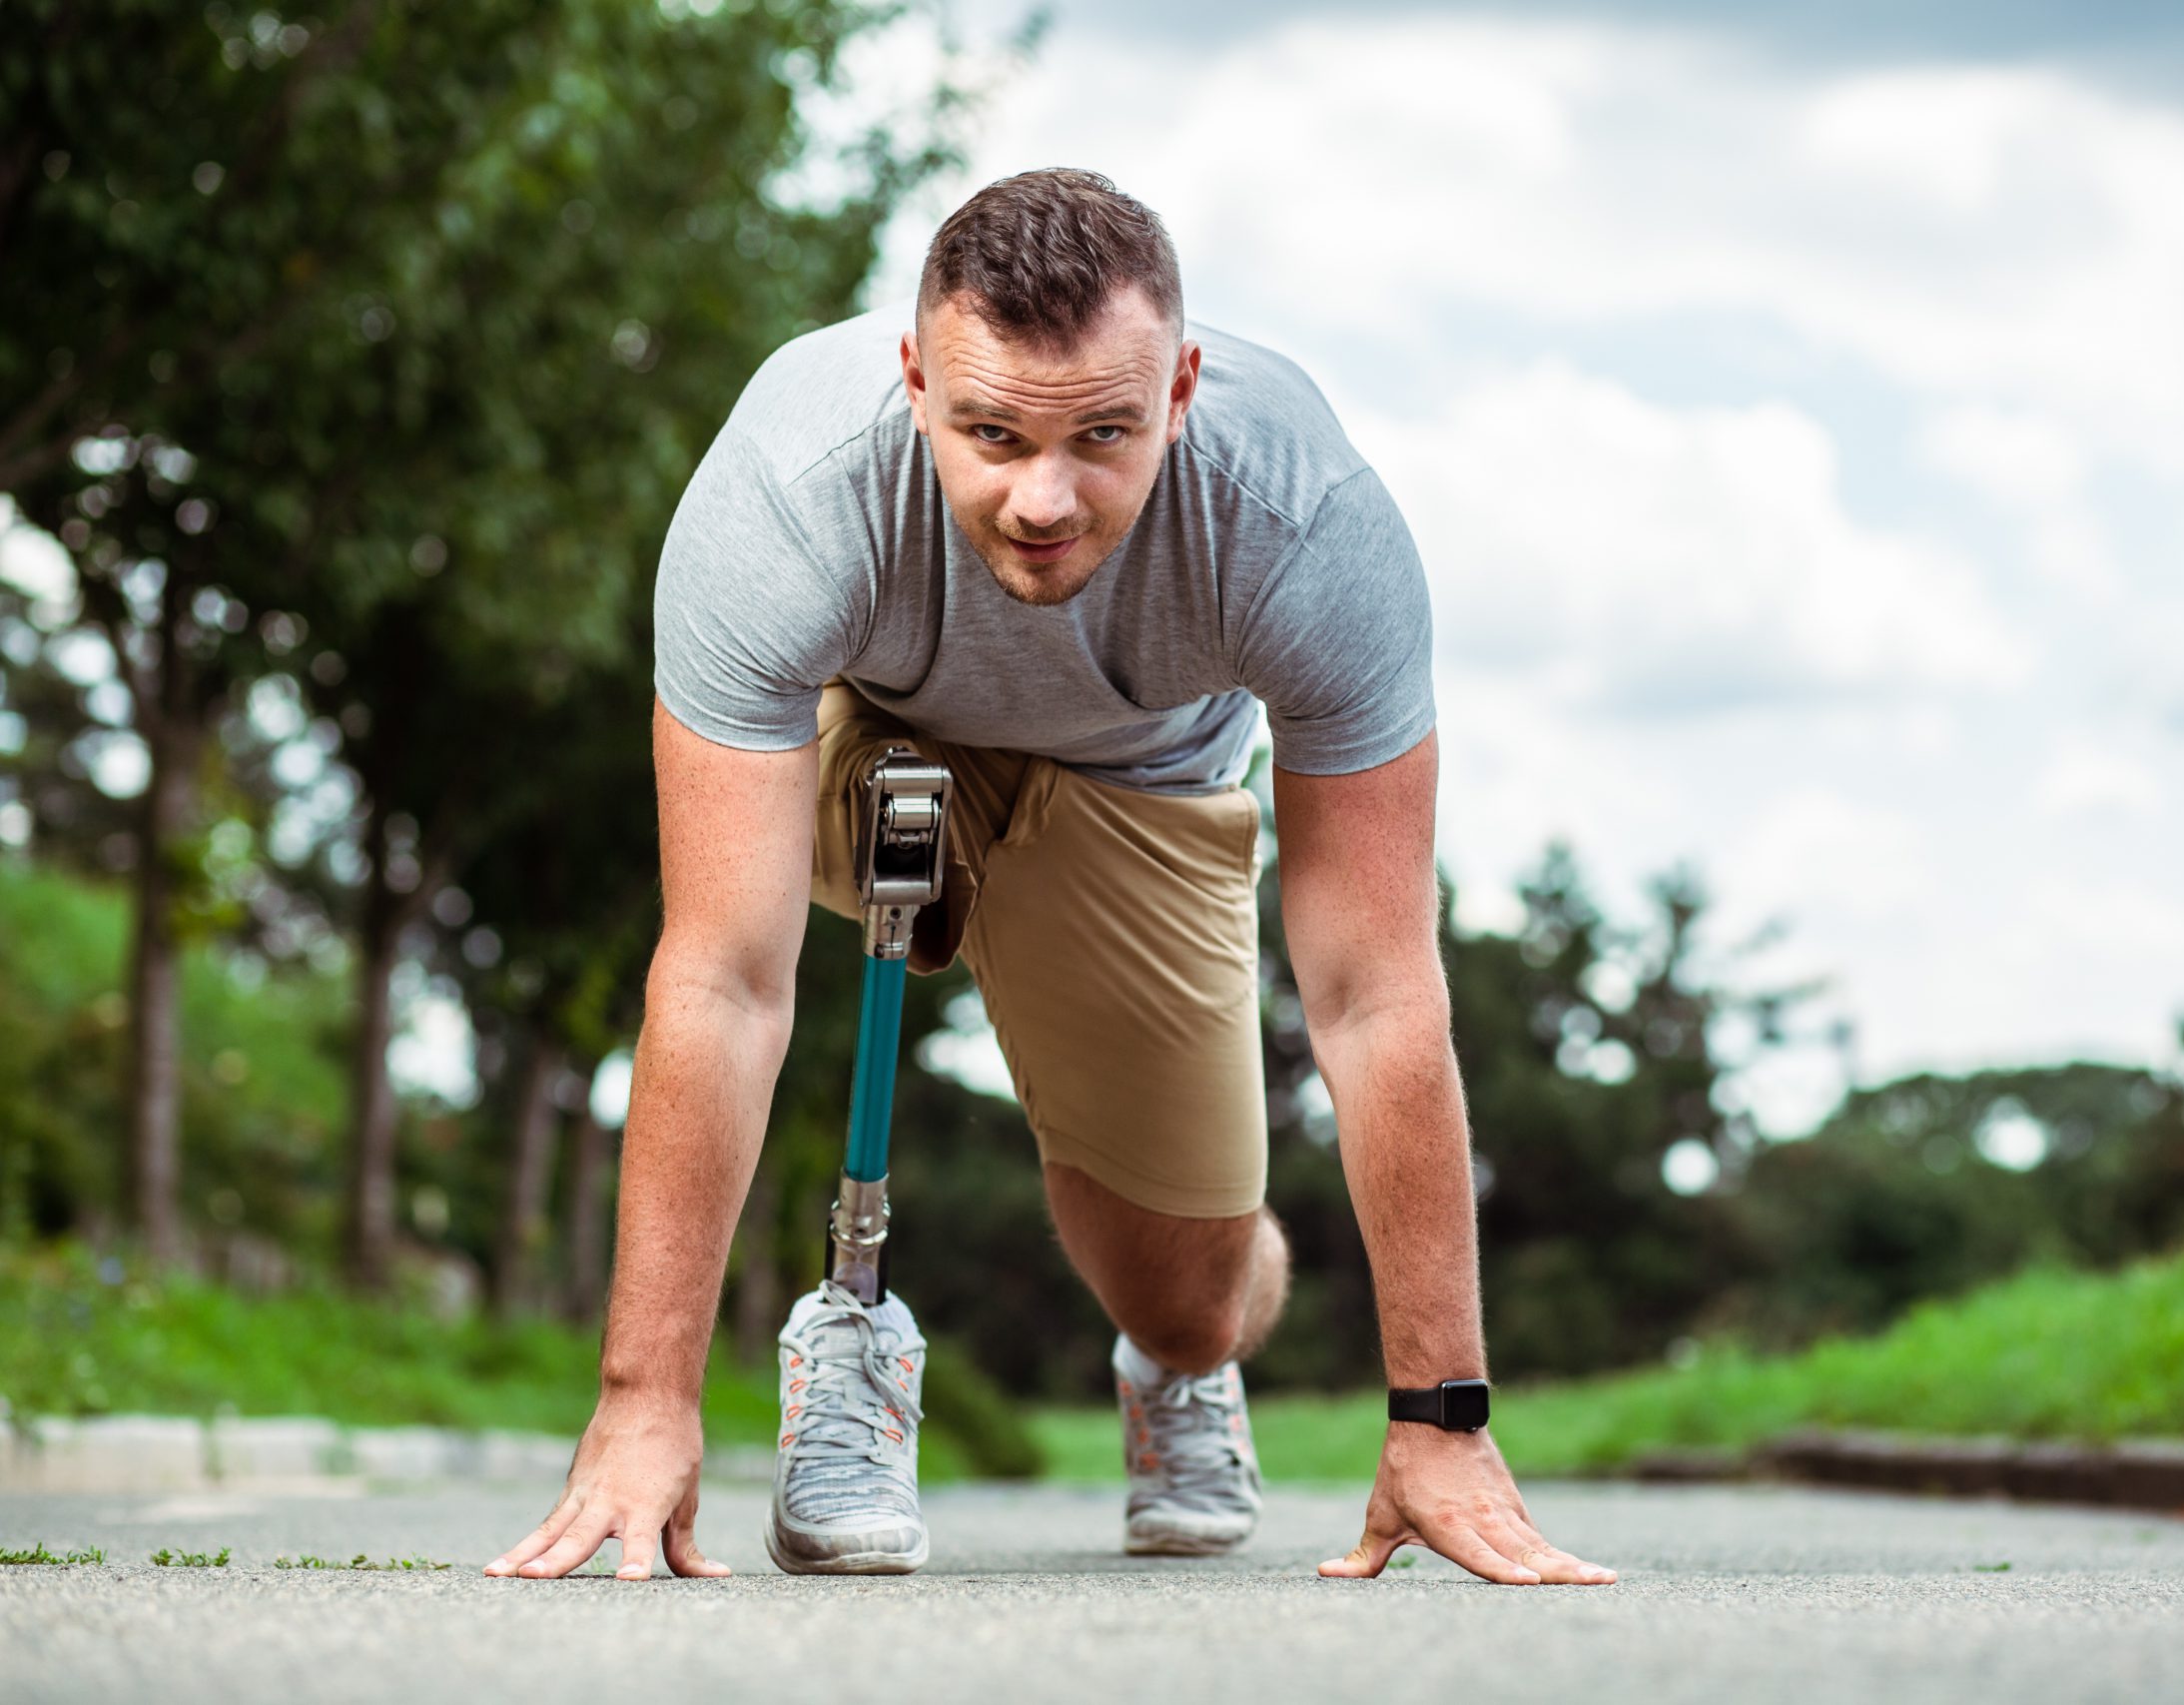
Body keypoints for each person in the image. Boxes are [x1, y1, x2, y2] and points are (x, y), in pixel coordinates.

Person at [486, 168, 1614, 1588]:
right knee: (899, 806)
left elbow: (1376, 989)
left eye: (1101, 435)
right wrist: (643, 1402)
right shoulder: (789, 493)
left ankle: (1180, 1370)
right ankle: (850, 1338)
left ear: (1183, 387)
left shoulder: (1306, 524)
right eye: (992, 433)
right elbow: (722, 974)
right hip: (868, 748)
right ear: (913, 380)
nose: (1042, 497)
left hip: (1141, 793)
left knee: (1194, 1299)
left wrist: (1440, 1417)